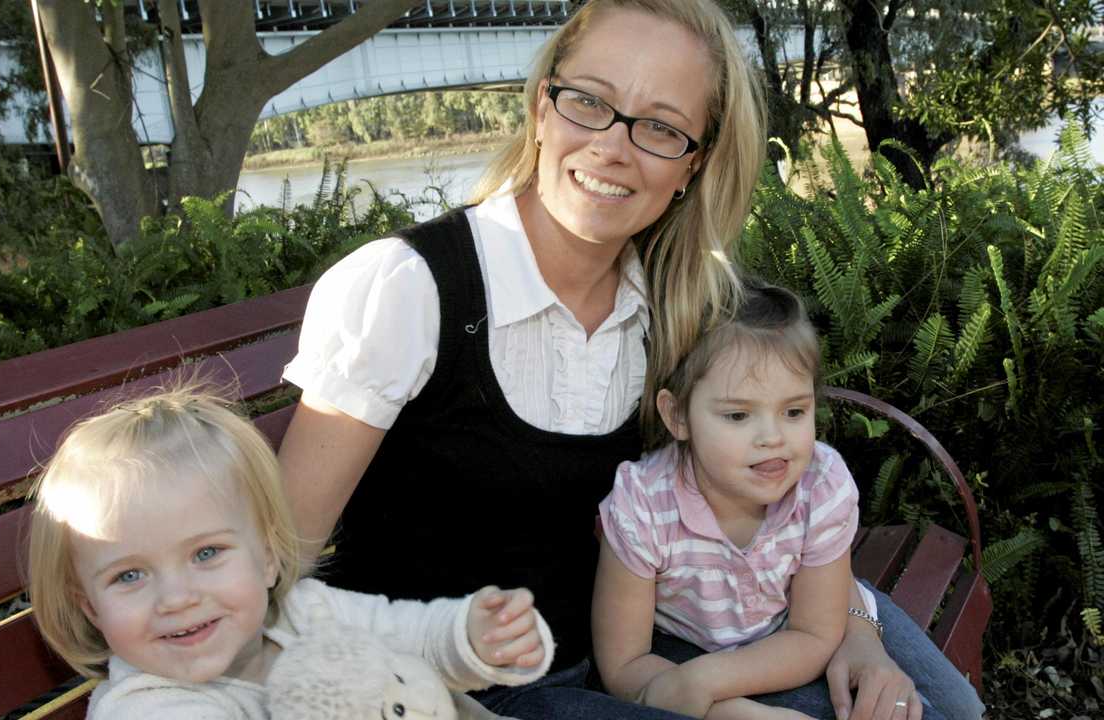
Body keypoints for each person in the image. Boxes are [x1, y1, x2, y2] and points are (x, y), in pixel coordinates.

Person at [277, 1, 952, 717]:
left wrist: (855, 627)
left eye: (660, 127)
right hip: (456, 690)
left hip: (638, 647)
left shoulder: (683, 304)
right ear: (542, 107)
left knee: (942, 707)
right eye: (589, 102)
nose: (612, 147)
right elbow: (278, 566)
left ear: (693, 164)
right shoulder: (407, 290)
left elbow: (771, 494)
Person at [25, 383, 554, 719]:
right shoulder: (148, 709)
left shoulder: (308, 611)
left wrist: (474, 638)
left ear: (270, 556)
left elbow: (411, 637)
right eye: (129, 576)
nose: (177, 598)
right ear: (90, 606)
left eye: (206, 554)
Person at [594, 282, 986, 720]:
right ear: (678, 415)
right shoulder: (643, 506)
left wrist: (707, 683)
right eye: (738, 415)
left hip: (810, 616)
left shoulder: (820, 483)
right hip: (693, 646)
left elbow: (814, 633)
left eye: (794, 412)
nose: (773, 438)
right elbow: (624, 666)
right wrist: (725, 707)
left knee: (962, 708)